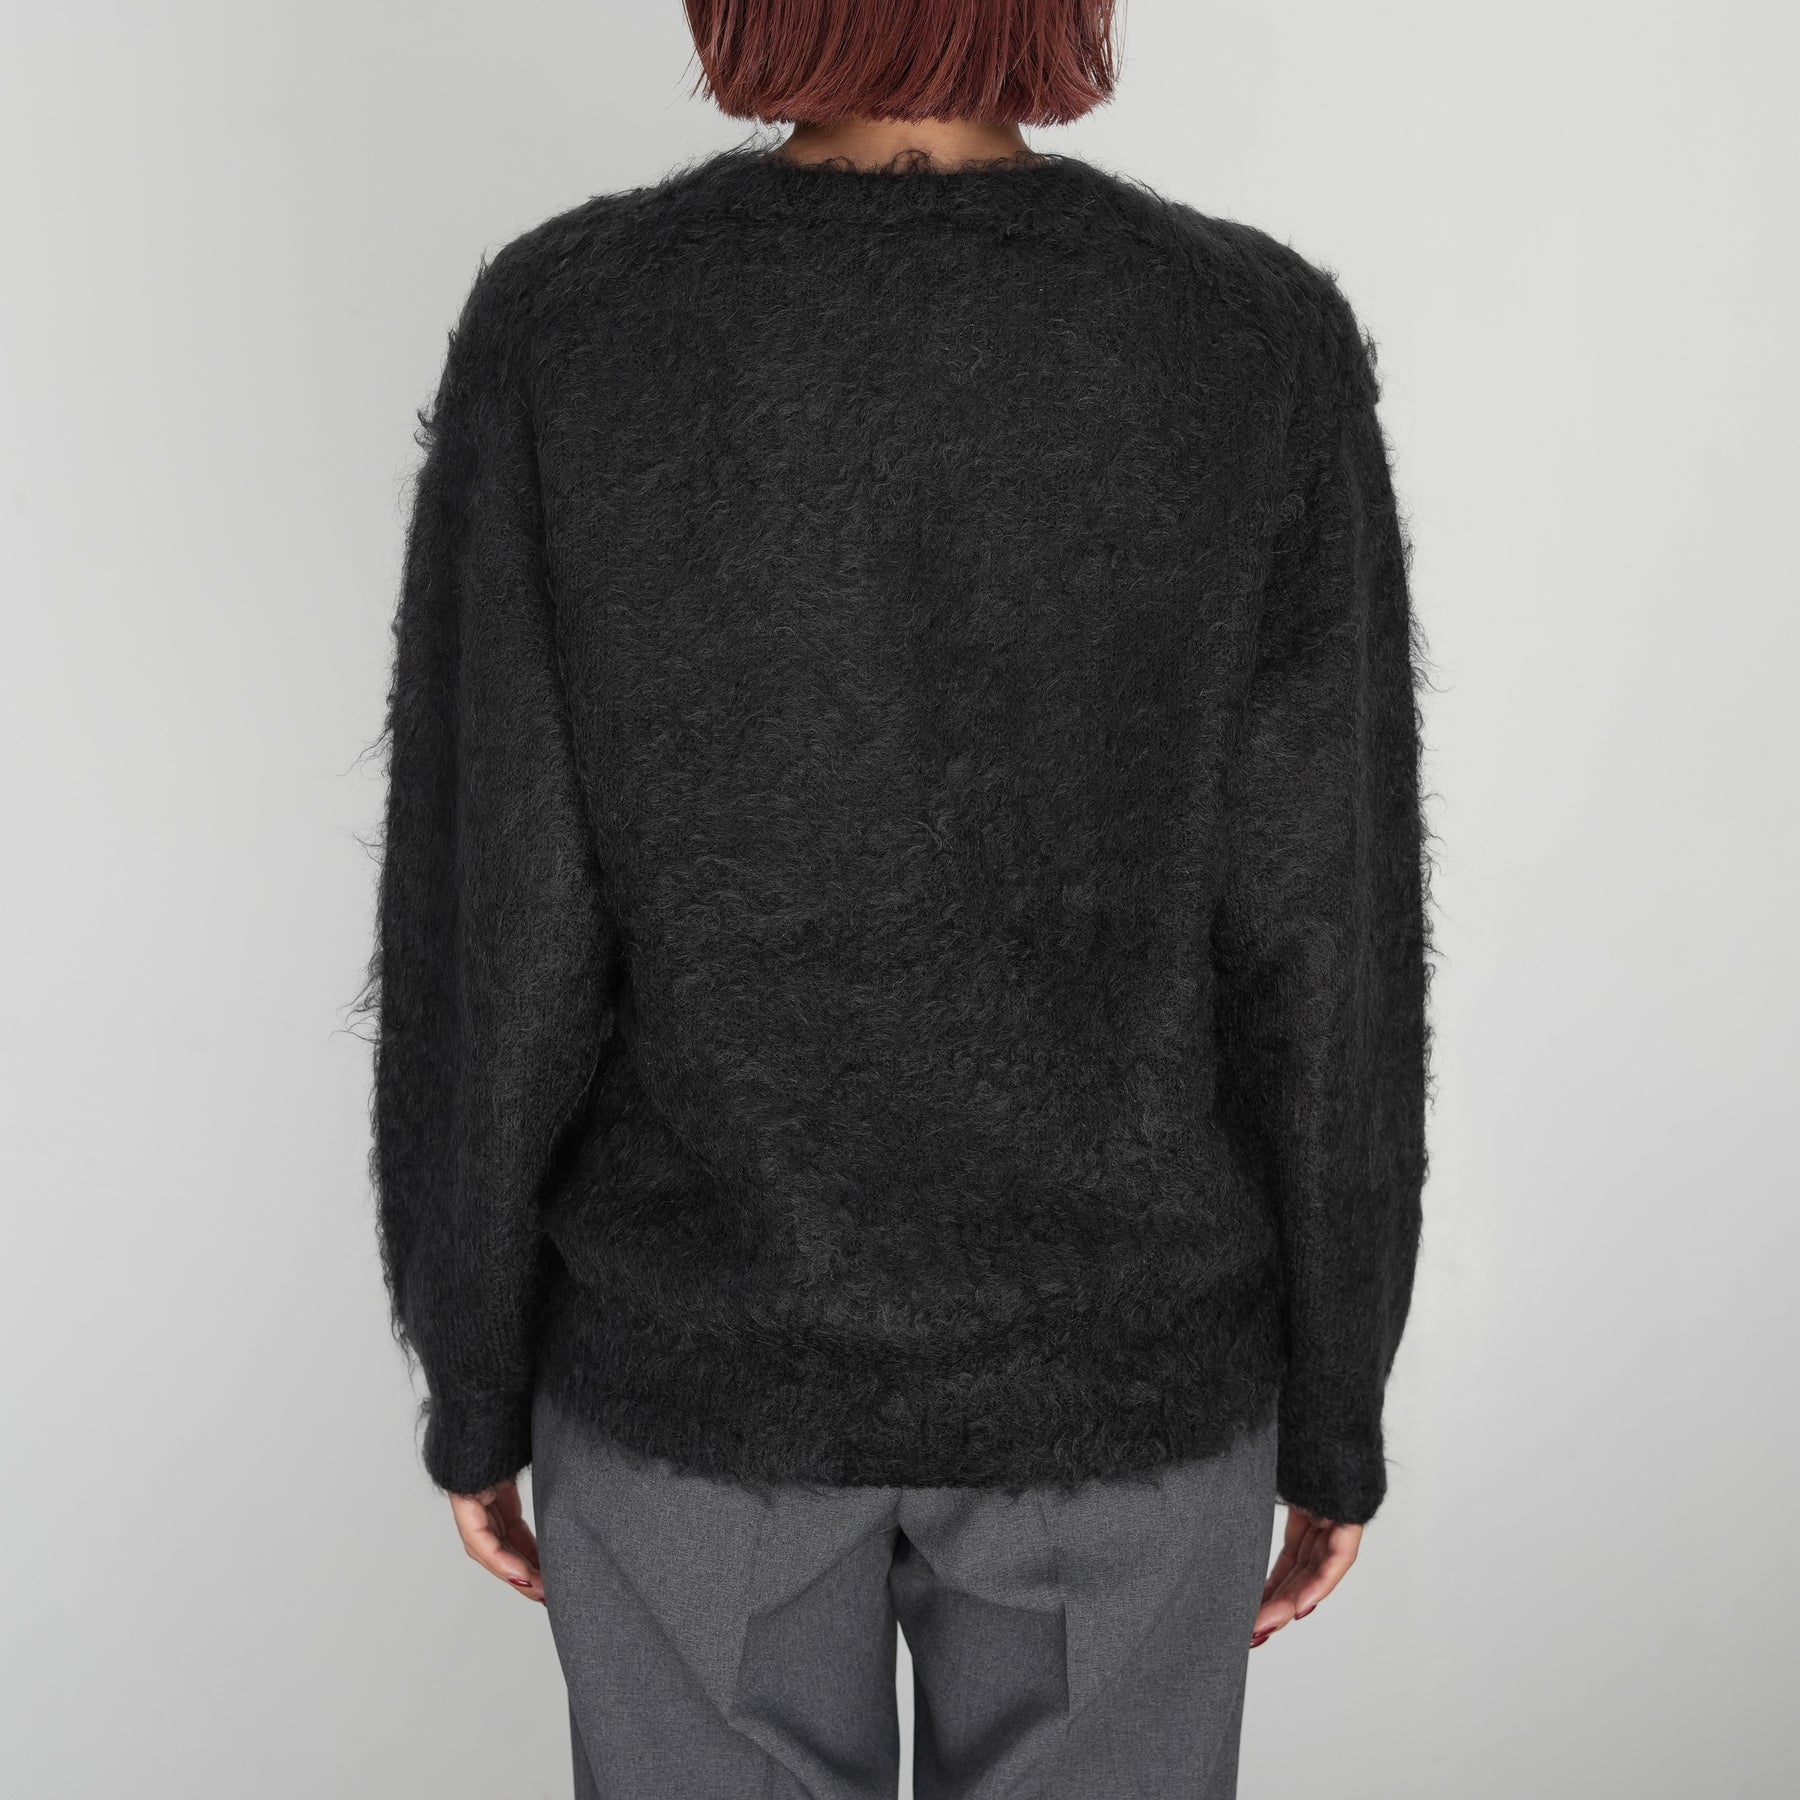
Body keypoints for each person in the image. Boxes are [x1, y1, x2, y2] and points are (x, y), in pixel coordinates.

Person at [360, 0, 1433, 1792]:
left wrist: (472, 1369)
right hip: (1128, 1390)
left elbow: (499, 918)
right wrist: (1336, 1401)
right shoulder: (1247, 341)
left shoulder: (570, 327)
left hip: (697, 1384)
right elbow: (1323, 933)